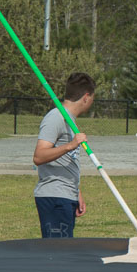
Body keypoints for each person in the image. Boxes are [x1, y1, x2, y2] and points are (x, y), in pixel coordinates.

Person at [32, 72, 95, 238]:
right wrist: (71, 145)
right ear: (86, 97)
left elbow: (68, 160)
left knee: (64, 252)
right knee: (57, 256)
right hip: (54, 197)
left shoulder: (69, 119)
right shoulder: (56, 117)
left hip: (66, 195)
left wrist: (77, 192)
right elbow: (39, 156)